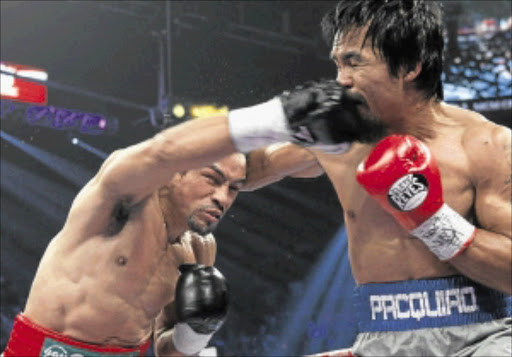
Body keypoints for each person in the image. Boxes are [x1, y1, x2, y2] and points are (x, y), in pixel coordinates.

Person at [235, 1, 511, 356]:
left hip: (482, 341)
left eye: (354, 62)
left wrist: (431, 219)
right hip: (380, 341)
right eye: (338, 63)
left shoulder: (486, 144)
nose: (341, 79)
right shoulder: (334, 137)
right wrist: (275, 119)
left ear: (411, 65)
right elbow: (237, 172)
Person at [2, 137, 247, 355]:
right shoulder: (121, 204)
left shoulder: (199, 249)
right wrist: (265, 122)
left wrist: (196, 334)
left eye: (234, 188)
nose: (222, 197)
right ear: (176, 173)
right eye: (211, 178)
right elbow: (146, 157)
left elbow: (168, 351)